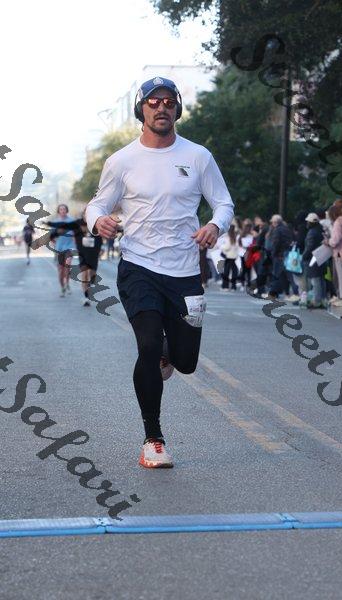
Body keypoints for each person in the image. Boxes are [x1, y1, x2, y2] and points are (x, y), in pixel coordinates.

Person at [85, 76, 234, 469]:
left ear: (177, 108)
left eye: (168, 101)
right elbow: (97, 205)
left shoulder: (198, 156)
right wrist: (98, 221)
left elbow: (223, 203)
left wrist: (214, 225)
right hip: (139, 266)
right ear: (142, 109)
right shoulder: (121, 161)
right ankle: (153, 439)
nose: (161, 108)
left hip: (184, 271)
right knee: (148, 346)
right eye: (153, 102)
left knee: (185, 362)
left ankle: (170, 352)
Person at [46, 213, 103, 307]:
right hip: (82, 253)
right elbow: (61, 227)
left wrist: (101, 249)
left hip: (93, 253)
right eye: (85, 213)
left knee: (91, 274)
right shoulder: (76, 224)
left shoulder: (95, 223)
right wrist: (49, 225)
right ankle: (86, 298)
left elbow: (101, 237)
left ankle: (89, 282)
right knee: (84, 274)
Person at [264, 214, 293, 299]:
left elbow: (276, 243)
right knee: (284, 275)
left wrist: (273, 253)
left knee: (276, 274)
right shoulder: (286, 228)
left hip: (279, 255)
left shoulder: (277, 230)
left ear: (275, 222)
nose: (272, 224)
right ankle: (287, 293)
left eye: (272, 222)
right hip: (286, 254)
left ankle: (273, 293)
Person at [302, 213, 326, 308]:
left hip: (313, 258)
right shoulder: (321, 230)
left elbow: (309, 247)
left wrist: (304, 256)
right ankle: (322, 299)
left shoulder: (312, 232)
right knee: (321, 279)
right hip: (321, 256)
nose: (307, 223)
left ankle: (317, 300)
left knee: (315, 280)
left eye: (308, 222)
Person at [51, 204, 76, 297]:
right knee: (60, 270)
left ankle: (67, 284)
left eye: (64, 209)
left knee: (67, 266)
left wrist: (76, 244)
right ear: (58, 211)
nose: (63, 211)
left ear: (66, 210)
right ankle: (62, 288)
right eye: (61, 209)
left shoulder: (71, 221)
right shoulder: (55, 222)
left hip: (69, 247)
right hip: (59, 248)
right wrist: (55, 244)